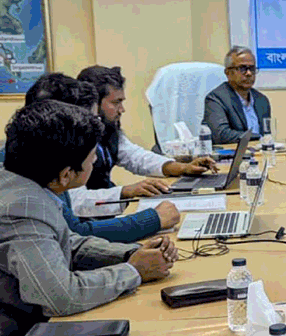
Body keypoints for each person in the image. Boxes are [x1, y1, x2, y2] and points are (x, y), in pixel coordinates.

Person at [0, 100, 176, 336]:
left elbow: (67, 242)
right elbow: (61, 297)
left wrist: (130, 254)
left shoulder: (23, 183)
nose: (95, 161)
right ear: (66, 174)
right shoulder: (22, 209)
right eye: (92, 158)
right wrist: (133, 271)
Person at [23, 72, 180, 243]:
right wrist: (152, 220)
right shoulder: (39, 169)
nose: (94, 158)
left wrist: (178, 167)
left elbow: (135, 156)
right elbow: (77, 232)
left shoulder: (44, 152)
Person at [71, 66, 217, 217]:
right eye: (116, 102)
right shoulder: (72, 136)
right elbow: (76, 201)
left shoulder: (108, 129)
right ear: (94, 103)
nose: (122, 109)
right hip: (86, 221)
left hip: (105, 213)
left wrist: (183, 167)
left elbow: (136, 157)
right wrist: (126, 191)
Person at [203, 46, 272, 144]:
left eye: (252, 68)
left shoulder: (262, 100)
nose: (249, 73)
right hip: (232, 153)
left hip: (258, 152)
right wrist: (258, 137)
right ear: (228, 73)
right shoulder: (215, 99)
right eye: (242, 68)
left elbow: (267, 136)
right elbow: (220, 135)